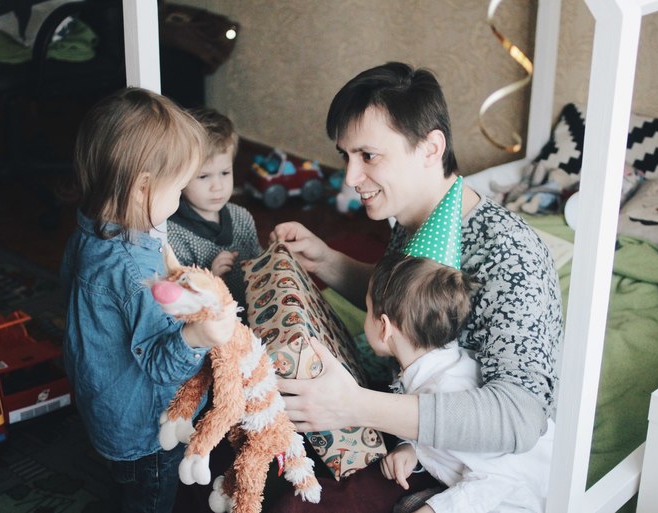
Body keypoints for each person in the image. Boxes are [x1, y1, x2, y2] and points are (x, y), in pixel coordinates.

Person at [270, 62, 563, 512]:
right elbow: (407, 308)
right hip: (416, 431)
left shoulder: (511, 256)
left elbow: (519, 419)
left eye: (368, 156)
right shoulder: (410, 218)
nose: (350, 177)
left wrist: (357, 405)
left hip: (487, 472)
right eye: (346, 156)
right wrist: (327, 261)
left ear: (431, 148)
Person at [60, 87, 237, 513]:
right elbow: (160, 365)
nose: (177, 201)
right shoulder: (134, 272)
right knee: (150, 497)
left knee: (126, 484)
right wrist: (198, 335)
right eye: (177, 189)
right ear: (143, 188)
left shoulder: (89, 229)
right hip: (145, 429)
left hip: (105, 403)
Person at [367, 252, 554, 513]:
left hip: (529, 500)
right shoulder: (432, 369)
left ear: (384, 327)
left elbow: (498, 480)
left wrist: (434, 509)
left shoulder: (447, 390)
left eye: (367, 310)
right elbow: (432, 428)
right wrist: (410, 449)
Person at [168, 107, 262, 313]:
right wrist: (212, 280)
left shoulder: (242, 217)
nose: (217, 186)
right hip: (213, 324)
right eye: (204, 176)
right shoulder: (174, 237)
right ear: (179, 175)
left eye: (225, 173)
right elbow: (180, 306)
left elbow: (259, 266)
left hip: (253, 314)